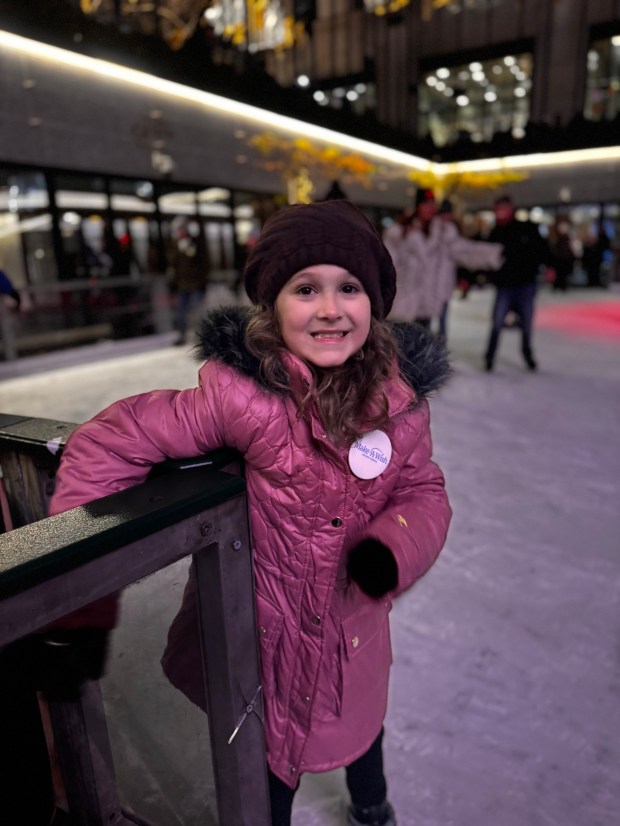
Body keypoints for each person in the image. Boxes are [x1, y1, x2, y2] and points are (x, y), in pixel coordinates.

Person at [48, 200, 453, 826]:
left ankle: (372, 804)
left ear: (374, 304)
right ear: (272, 304)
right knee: (266, 773)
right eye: (305, 289)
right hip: (260, 642)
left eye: (349, 288)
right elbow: (110, 443)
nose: (329, 309)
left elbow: (423, 491)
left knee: (360, 725)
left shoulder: (400, 407)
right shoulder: (245, 398)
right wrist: (79, 604)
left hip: (350, 636)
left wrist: (392, 547)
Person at [386, 189, 502, 341]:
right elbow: (388, 264)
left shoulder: (442, 231)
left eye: (432, 204)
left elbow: (463, 250)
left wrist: (492, 254)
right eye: (426, 204)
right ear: (418, 206)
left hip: (426, 303)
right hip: (403, 302)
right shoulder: (400, 232)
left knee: (420, 345)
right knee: (399, 345)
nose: (430, 208)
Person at [483, 195, 552, 372]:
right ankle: (489, 357)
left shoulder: (526, 228)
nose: (500, 213)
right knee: (497, 322)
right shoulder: (495, 233)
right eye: (498, 210)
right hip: (505, 285)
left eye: (503, 209)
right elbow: (487, 258)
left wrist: (548, 266)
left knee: (526, 323)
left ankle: (527, 354)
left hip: (525, 283)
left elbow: (542, 249)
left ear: (510, 209)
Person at [168, 218, 209, 345]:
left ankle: (201, 335)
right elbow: (173, 264)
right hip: (182, 285)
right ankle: (182, 335)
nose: (180, 232)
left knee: (199, 311)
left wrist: (203, 281)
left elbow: (204, 262)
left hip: (196, 284)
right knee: (181, 311)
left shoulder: (196, 243)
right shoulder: (176, 245)